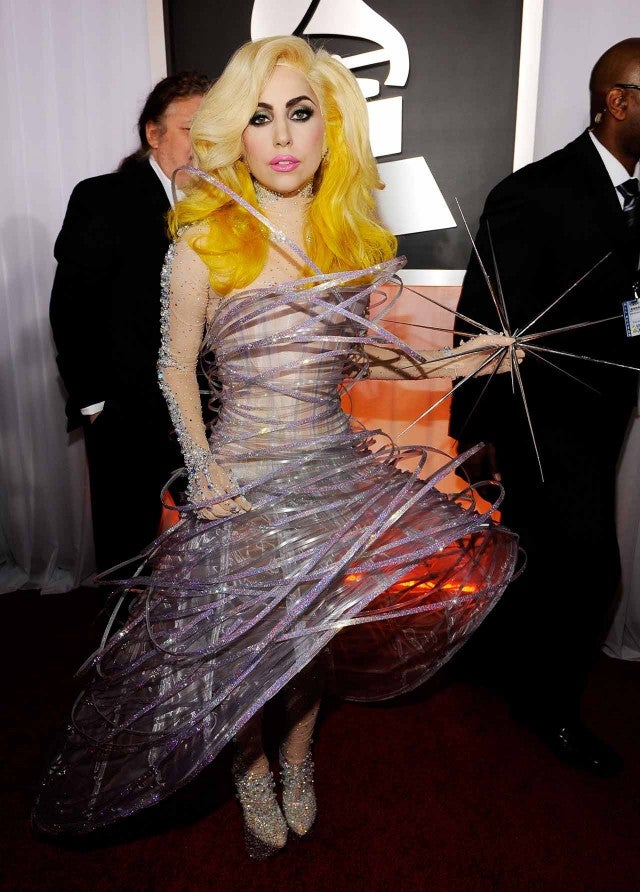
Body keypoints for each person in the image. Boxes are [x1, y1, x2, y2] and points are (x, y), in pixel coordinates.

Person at [33, 36, 521, 858]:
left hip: (329, 473)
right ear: (236, 134)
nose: (284, 136)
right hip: (239, 481)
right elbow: (174, 367)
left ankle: (297, 757)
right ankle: (250, 768)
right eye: (260, 118)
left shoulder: (350, 247)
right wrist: (203, 467)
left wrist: (469, 358)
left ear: (332, 129)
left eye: (301, 113)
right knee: (240, 647)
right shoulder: (203, 241)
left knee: (310, 639)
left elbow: (366, 361)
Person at [449, 38, 640, 777]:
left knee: (541, 560)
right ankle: (548, 709)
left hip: (605, 418)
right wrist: (474, 435)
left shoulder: (634, 193)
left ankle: (499, 666)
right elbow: (483, 322)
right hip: (539, 422)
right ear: (617, 102)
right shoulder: (533, 193)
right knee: (590, 571)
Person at [49, 70, 212, 573]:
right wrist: (95, 404)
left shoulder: (228, 206)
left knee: (213, 553)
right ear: (153, 133)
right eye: (191, 129)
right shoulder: (102, 197)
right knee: (127, 558)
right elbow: (71, 308)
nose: (203, 144)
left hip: (210, 412)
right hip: (126, 414)